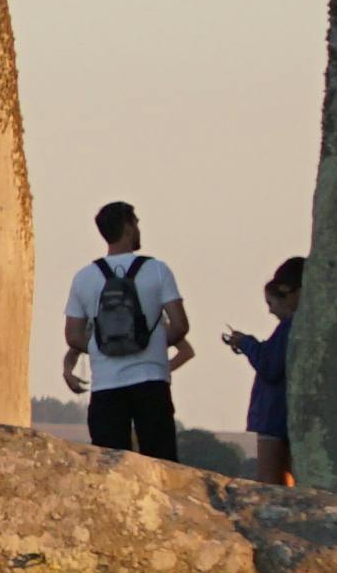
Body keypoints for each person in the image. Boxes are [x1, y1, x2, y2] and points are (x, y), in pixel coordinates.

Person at [57, 200, 194, 462]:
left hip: (106, 386)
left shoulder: (84, 277)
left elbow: (73, 336)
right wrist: (149, 345)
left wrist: (101, 349)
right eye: (137, 222)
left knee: (109, 466)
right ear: (129, 228)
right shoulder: (157, 270)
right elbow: (180, 325)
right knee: (162, 462)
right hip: (151, 381)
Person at [227, 256, 303, 485]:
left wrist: (247, 344)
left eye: (271, 304)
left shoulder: (289, 327)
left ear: (288, 294)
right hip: (285, 414)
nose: (270, 312)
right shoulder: (298, 327)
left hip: (274, 415)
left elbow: (271, 366)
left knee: (270, 484)